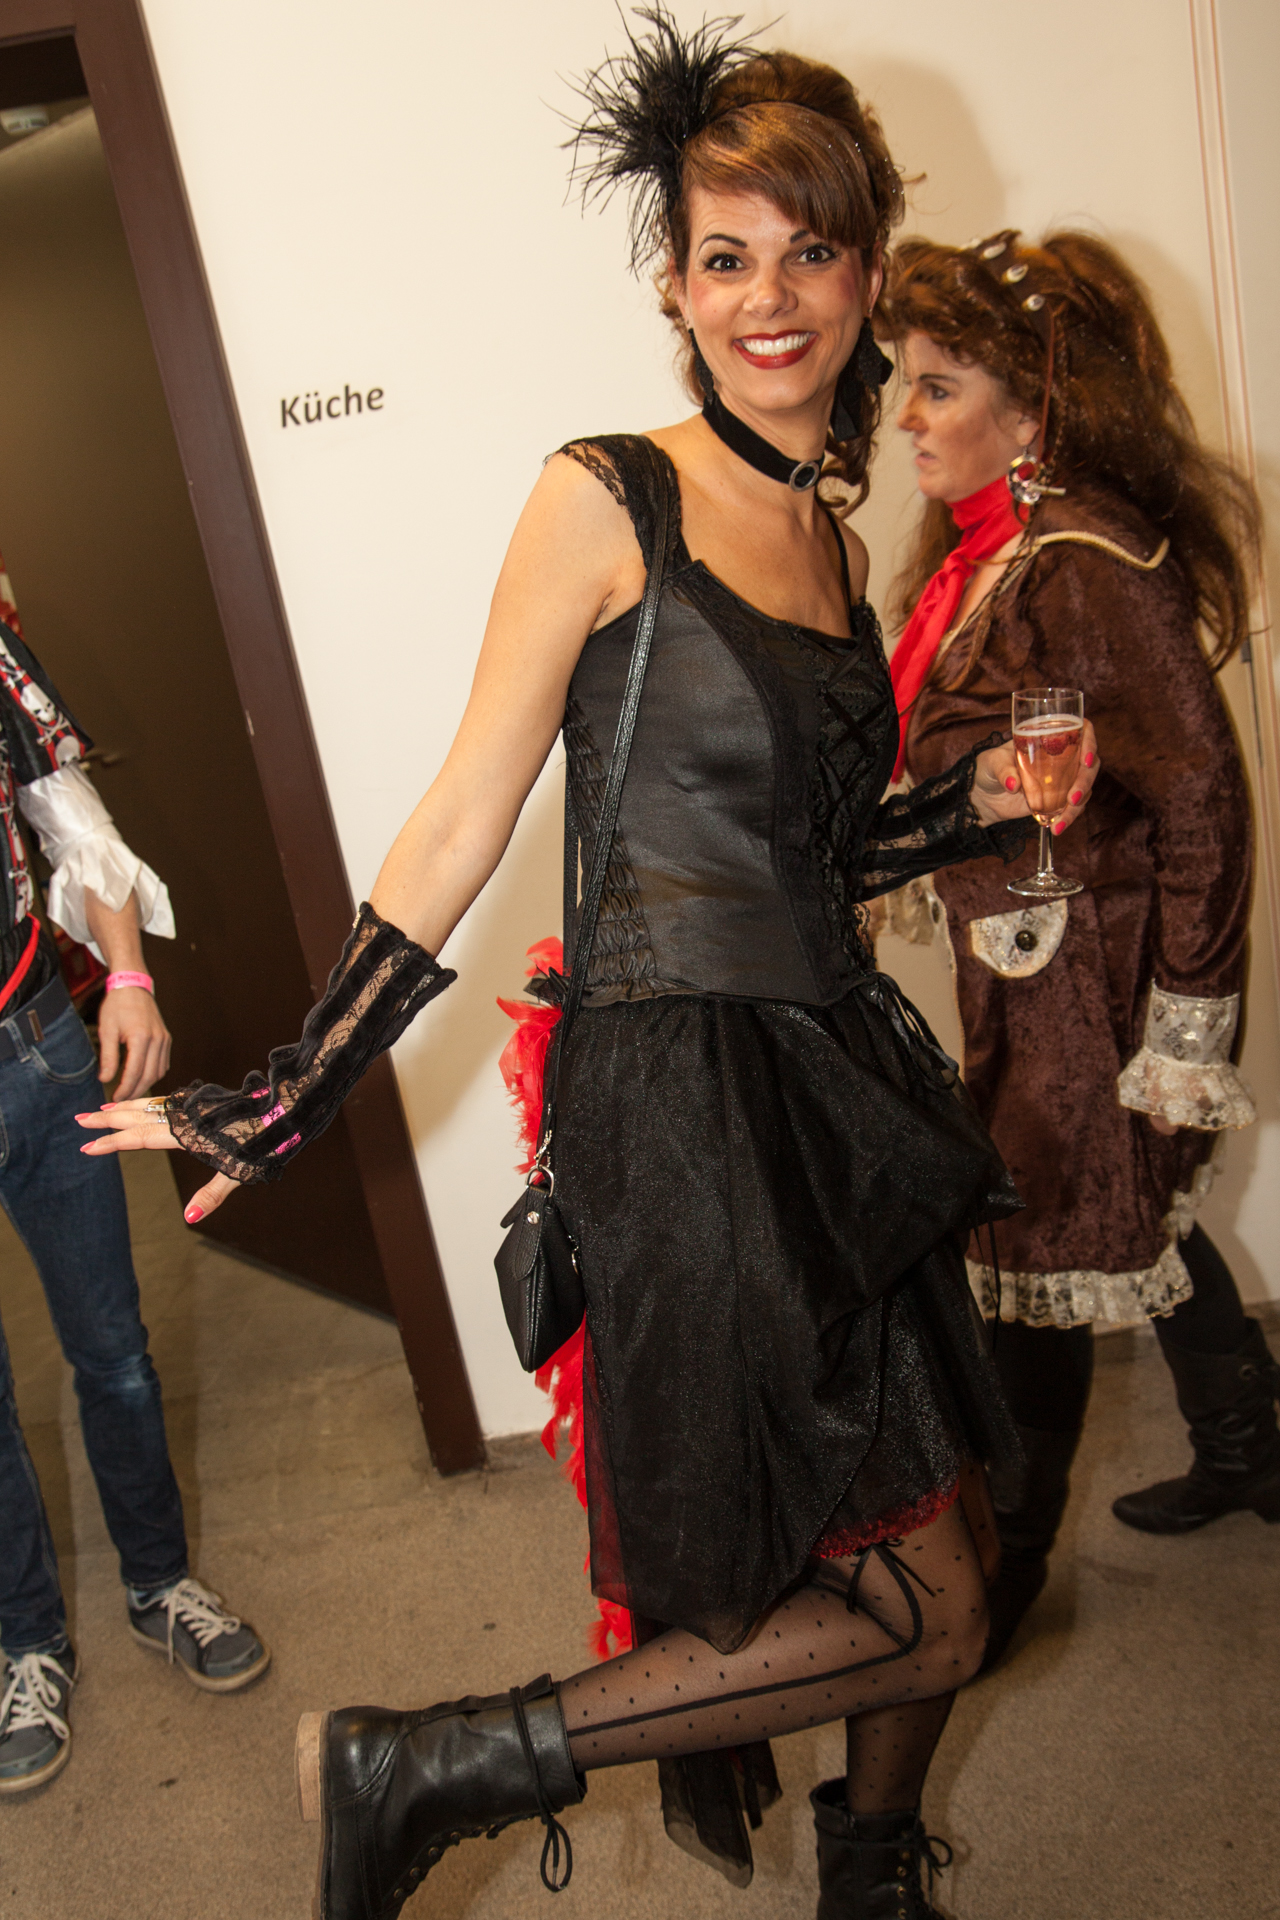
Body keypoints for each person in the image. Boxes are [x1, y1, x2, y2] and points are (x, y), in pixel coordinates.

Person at [80, 18, 1097, 1917]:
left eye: (808, 250)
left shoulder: (832, 538)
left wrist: (967, 804)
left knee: (931, 1525)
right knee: (924, 1593)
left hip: (829, 1083)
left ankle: (868, 1869)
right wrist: (293, 1089)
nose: (768, 297)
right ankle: (433, 1762)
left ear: (867, 273)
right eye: (726, 256)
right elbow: (462, 816)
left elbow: (807, 861)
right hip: (692, 1105)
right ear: (674, 287)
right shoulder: (607, 493)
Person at [876, 228, 1271, 1667]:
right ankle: (1249, 1445)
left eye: (937, 387)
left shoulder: (1082, 563)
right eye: (905, 384)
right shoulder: (987, 554)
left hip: (1088, 1002)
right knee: (1134, 1222)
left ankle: (1004, 1573)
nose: (904, 416)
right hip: (1033, 975)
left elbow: (1204, 805)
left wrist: (1182, 1047)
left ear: (1030, 410)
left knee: (1035, 1261)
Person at [0, 596, 268, 1796]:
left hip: (37, 1049)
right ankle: (26, 1644)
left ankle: (160, 1584)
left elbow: (70, 818)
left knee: (112, 1352)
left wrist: (128, 978)